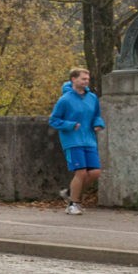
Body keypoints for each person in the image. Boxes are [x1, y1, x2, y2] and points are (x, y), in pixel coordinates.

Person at [48, 67, 104, 215]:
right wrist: (70, 125)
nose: (86, 81)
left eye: (87, 79)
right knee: (81, 172)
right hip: (72, 140)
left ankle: (70, 193)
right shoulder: (65, 99)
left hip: (89, 139)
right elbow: (54, 120)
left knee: (95, 172)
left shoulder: (92, 98)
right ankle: (73, 204)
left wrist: (98, 124)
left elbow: (97, 115)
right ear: (74, 79)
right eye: (83, 79)